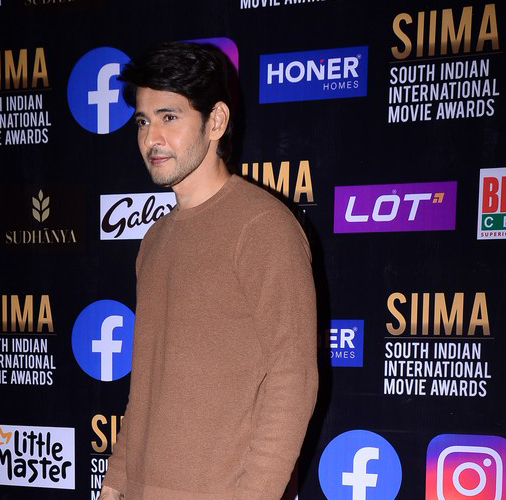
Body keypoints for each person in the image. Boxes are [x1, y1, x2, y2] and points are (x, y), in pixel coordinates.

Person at [100, 42, 318, 500]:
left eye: (169, 117)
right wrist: (115, 480)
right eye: (143, 121)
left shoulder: (264, 228)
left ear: (215, 121)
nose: (151, 138)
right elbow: (147, 382)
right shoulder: (155, 240)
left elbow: (293, 379)